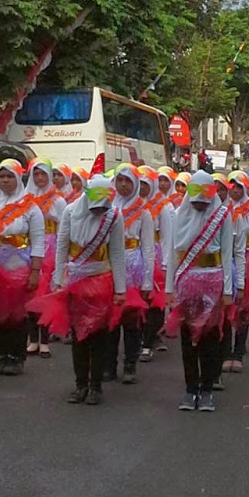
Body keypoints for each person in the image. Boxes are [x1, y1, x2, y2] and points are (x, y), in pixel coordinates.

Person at [30, 173, 126, 405]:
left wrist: (120, 289)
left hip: (101, 280)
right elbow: (63, 246)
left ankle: (96, 386)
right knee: (79, 335)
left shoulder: (114, 217)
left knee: (98, 336)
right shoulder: (71, 211)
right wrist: (58, 279)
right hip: (75, 282)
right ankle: (80, 384)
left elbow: (117, 253)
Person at [166, 172, 234, 411]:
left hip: (212, 280)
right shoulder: (178, 215)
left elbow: (227, 253)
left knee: (210, 337)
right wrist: (168, 289)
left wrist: (228, 289)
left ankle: (207, 389)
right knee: (188, 338)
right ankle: (190, 388)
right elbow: (172, 255)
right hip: (186, 281)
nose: (199, 204)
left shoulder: (222, 216)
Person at [0, 159, 44, 375]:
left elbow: (38, 242)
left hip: (20, 266)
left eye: (10, 176)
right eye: (2, 176)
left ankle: (16, 356)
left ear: (18, 178)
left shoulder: (30, 207)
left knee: (17, 314)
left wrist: (35, 272)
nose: (6, 180)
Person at [106, 163, 155, 383]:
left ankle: (130, 364)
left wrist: (147, 280)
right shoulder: (107, 207)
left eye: (128, 181)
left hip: (133, 265)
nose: (124, 185)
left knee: (132, 320)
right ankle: (109, 364)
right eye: (120, 180)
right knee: (110, 319)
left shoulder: (143, 212)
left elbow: (148, 248)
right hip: (110, 267)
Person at [24, 158, 67, 357]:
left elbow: (64, 228)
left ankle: (44, 339)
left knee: (45, 293)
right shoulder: (25, 198)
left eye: (43, 174)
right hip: (30, 247)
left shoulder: (58, 200)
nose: (40, 178)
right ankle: (32, 338)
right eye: (36, 174)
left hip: (51, 248)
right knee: (30, 294)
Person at [221, 170, 249, 373]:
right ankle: (225, 352)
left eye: (239, 187)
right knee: (226, 309)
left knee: (243, 310)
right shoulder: (222, 210)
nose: (235, 191)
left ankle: (238, 352)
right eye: (232, 187)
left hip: (247, 263)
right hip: (226, 262)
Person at [140, 167, 174, 362]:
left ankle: (150, 339)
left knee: (155, 299)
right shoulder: (133, 204)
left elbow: (167, 237)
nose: (143, 188)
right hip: (137, 254)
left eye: (146, 184)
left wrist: (165, 263)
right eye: (141, 184)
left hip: (156, 254)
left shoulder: (164, 207)